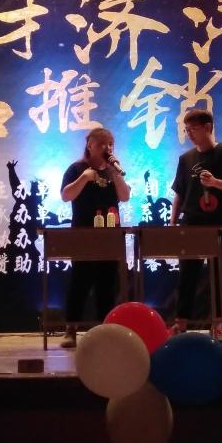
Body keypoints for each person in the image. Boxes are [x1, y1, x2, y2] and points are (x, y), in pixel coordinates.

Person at [169, 109, 222, 339]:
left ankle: (218, 323)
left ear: (208, 127)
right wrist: (173, 221)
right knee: (187, 273)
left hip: (220, 221)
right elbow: (179, 192)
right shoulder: (186, 159)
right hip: (192, 221)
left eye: (193, 129)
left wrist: (215, 182)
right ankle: (181, 322)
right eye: (186, 130)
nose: (189, 134)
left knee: (219, 273)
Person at [59, 127, 131, 348]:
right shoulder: (77, 169)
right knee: (79, 281)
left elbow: (125, 197)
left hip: (109, 235)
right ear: (90, 145)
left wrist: (117, 175)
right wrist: (84, 178)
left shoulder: (113, 170)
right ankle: (71, 329)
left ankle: (106, 330)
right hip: (83, 235)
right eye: (102, 144)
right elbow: (65, 195)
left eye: (110, 144)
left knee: (107, 283)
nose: (107, 148)